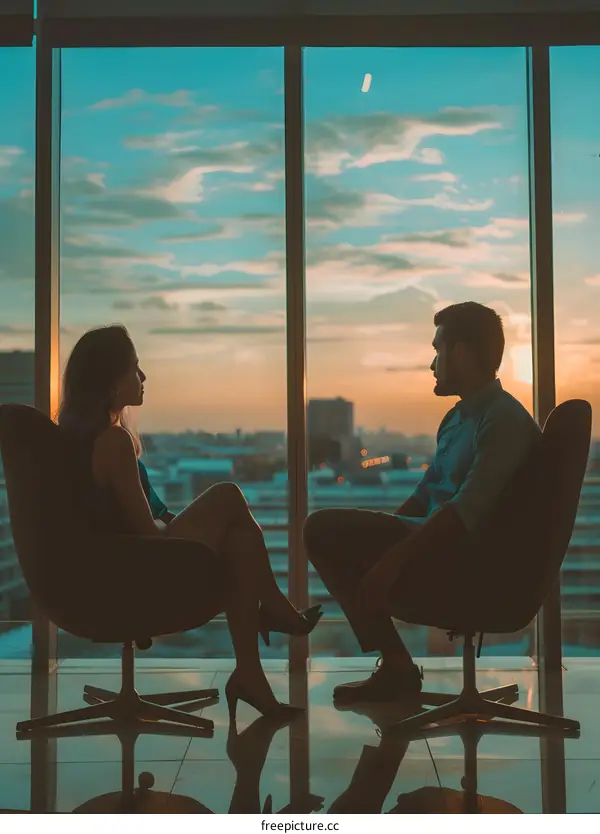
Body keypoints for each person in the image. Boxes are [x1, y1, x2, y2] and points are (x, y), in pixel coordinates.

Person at [57, 323, 322, 721]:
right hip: (134, 568)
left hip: (114, 565)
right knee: (229, 494)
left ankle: (251, 671)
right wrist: (178, 529)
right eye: (135, 368)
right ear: (110, 381)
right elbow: (146, 532)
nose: (143, 377)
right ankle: (277, 612)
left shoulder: (84, 438)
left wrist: (183, 526)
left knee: (238, 540)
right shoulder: (111, 443)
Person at [303, 302, 542, 704]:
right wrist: (376, 540)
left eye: (438, 350)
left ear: (461, 353)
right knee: (333, 536)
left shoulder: (502, 420)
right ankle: (395, 664)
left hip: (472, 561)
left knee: (319, 529)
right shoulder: (455, 420)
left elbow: (465, 512)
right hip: (441, 549)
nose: (432, 364)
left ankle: (396, 665)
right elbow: (423, 496)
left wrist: (388, 565)